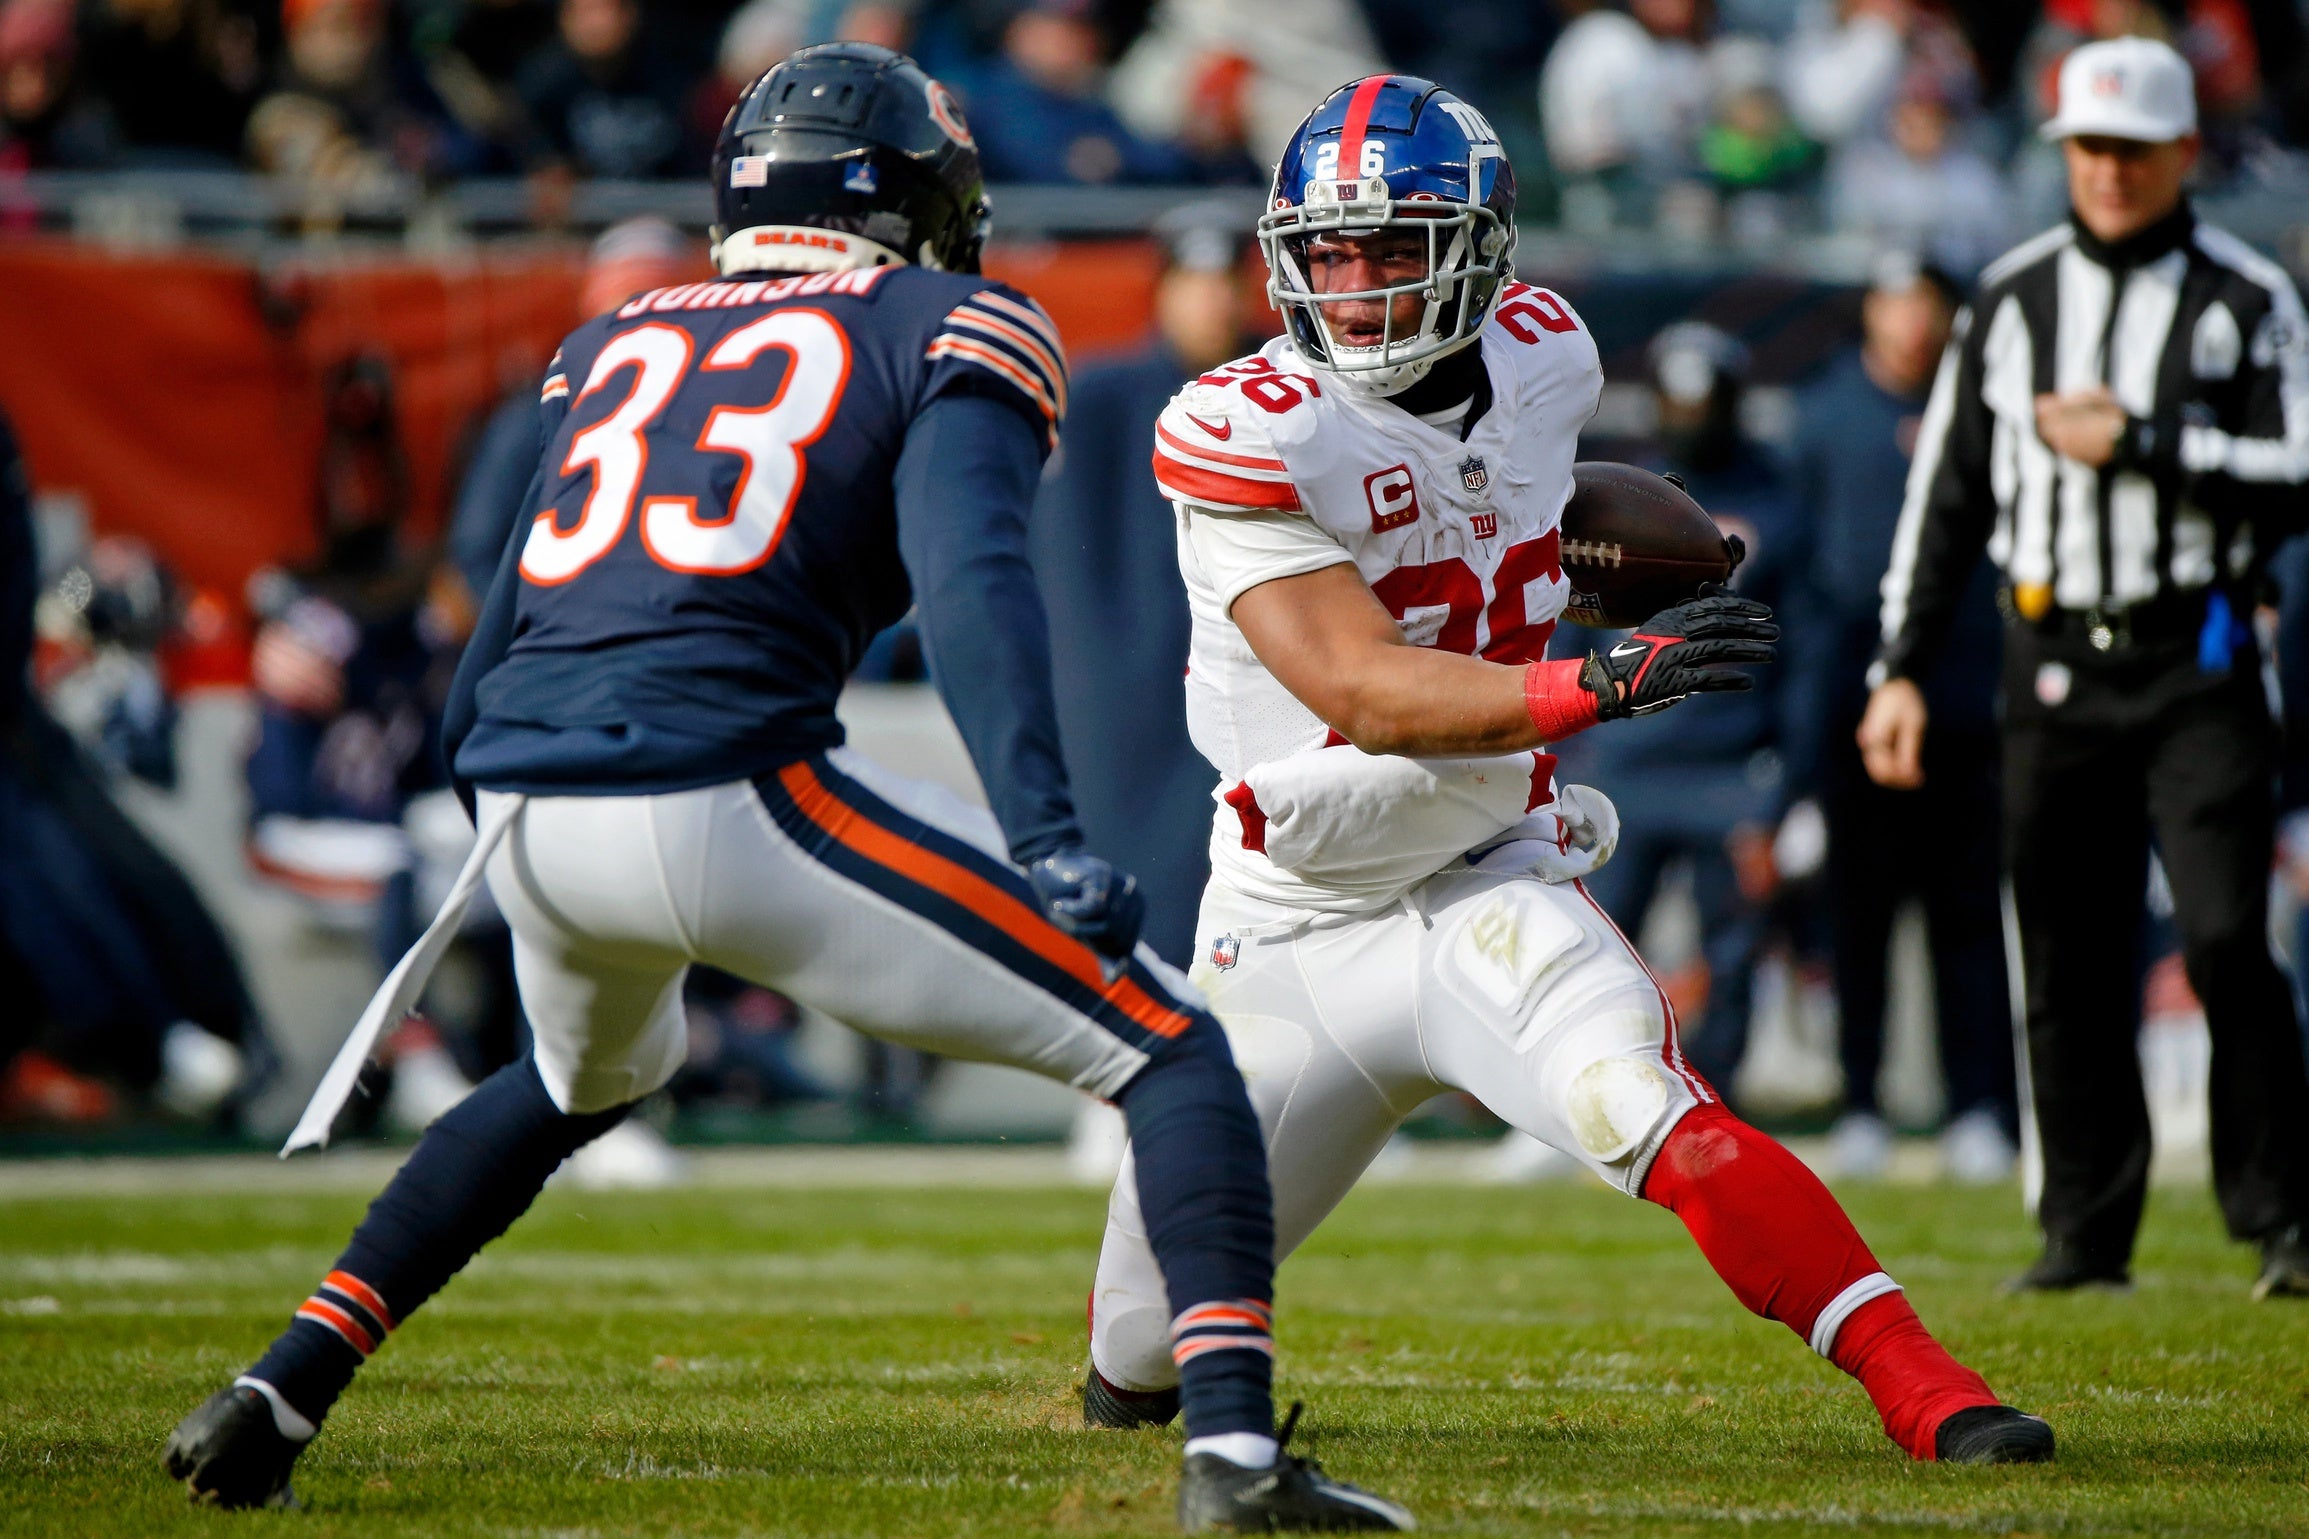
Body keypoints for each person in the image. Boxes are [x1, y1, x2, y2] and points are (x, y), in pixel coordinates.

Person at [162, 44, 1409, 1533]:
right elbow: (971, 582)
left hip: (531, 805)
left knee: (577, 1079)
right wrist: (1046, 830)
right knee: (1174, 1049)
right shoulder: (950, 321)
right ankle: (1230, 1461)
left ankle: (277, 1387)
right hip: (726, 785)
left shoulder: (618, 339)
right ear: (909, 204)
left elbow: (494, 632)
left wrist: (487, 792)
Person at [1081, 71, 2053, 1469]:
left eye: (1394, 247)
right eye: (1329, 250)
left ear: (1479, 247)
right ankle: (1130, 1370)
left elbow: (1515, 508)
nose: (1354, 285)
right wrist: (1592, 677)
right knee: (1133, 1350)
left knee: (1649, 1103)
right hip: (1290, 918)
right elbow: (1360, 682)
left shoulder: (1548, 356)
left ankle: (1932, 1385)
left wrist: (1596, 574)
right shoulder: (1244, 428)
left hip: (1491, 867)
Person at [1861, 37, 2309, 1297]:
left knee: (2224, 937)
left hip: (2197, 658)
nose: (2105, 172)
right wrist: (1895, 668)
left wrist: (2150, 444)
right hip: (2049, 659)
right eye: (2085, 149)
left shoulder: (2243, 298)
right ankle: (2081, 1232)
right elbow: (1942, 499)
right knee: (2062, 948)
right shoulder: (2008, 299)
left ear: (2180, 152)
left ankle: (2281, 1213)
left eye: (2128, 148)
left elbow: (2299, 468)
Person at [1784, 253, 2015, 1182]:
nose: (1909, 321)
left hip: (1966, 707)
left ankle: (1977, 1107)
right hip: (1853, 708)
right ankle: (1862, 1103)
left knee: (1968, 922)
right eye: (1892, 302)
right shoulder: (1825, 414)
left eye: (1923, 302)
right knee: (1859, 922)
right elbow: (1800, 581)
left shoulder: (1985, 407)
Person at [1557, 321, 1795, 1097]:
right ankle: (1579, 1090)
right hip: (1625, 752)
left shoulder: (1779, 499)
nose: (1690, 416)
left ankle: (1712, 1099)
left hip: (1731, 758)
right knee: (1592, 935)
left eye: (1705, 400)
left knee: (1728, 951)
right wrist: (1562, 741)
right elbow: (1567, 619)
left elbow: (1809, 644)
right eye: (1676, 400)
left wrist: (1788, 774)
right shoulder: (1615, 496)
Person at [1030, 201, 1268, 968]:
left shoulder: (1282, 389)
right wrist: (1091, 678)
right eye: (1192, 282)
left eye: (1222, 282)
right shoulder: (1103, 395)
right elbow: (1065, 556)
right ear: (1162, 290)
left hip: (1256, 673)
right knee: (1135, 892)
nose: (1211, 302)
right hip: (1129, 685)